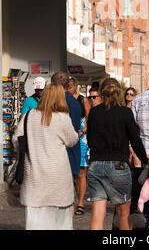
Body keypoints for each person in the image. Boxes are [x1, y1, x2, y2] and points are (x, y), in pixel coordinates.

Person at [12, 83, 79, 230]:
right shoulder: (62, 117)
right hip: (58, 179)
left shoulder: (29, 116)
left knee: (35, 222)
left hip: (34, 178)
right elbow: (72, 140)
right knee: (60, 223)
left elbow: (17, 140)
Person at [87, 77, 148, 230]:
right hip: (118, 165)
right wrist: (145, 159)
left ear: (101, 93)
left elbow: (89, 139)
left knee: (97, 214)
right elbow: (135, 140)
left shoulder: (94, 112)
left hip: (96, 165)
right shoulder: (125, 113)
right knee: (123, 215)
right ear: (119, 93)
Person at [51, 72, 81, 216]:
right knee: (69, 192)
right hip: (71, 150)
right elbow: (75, 130)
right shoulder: (75, 103)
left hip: (53, 154)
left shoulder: (49, 102)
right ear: (68, 85)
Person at [68, 77, 91, 216]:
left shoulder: (83, 100)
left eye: (70, 87)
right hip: (69, 136)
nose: (69, 89)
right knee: (70, 172)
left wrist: (82, 131)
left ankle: (80, 202)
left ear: (75, 87)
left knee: (81, 173)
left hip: (82, 138)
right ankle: (70, 201)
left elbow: (89, 119)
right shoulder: (64, 100)